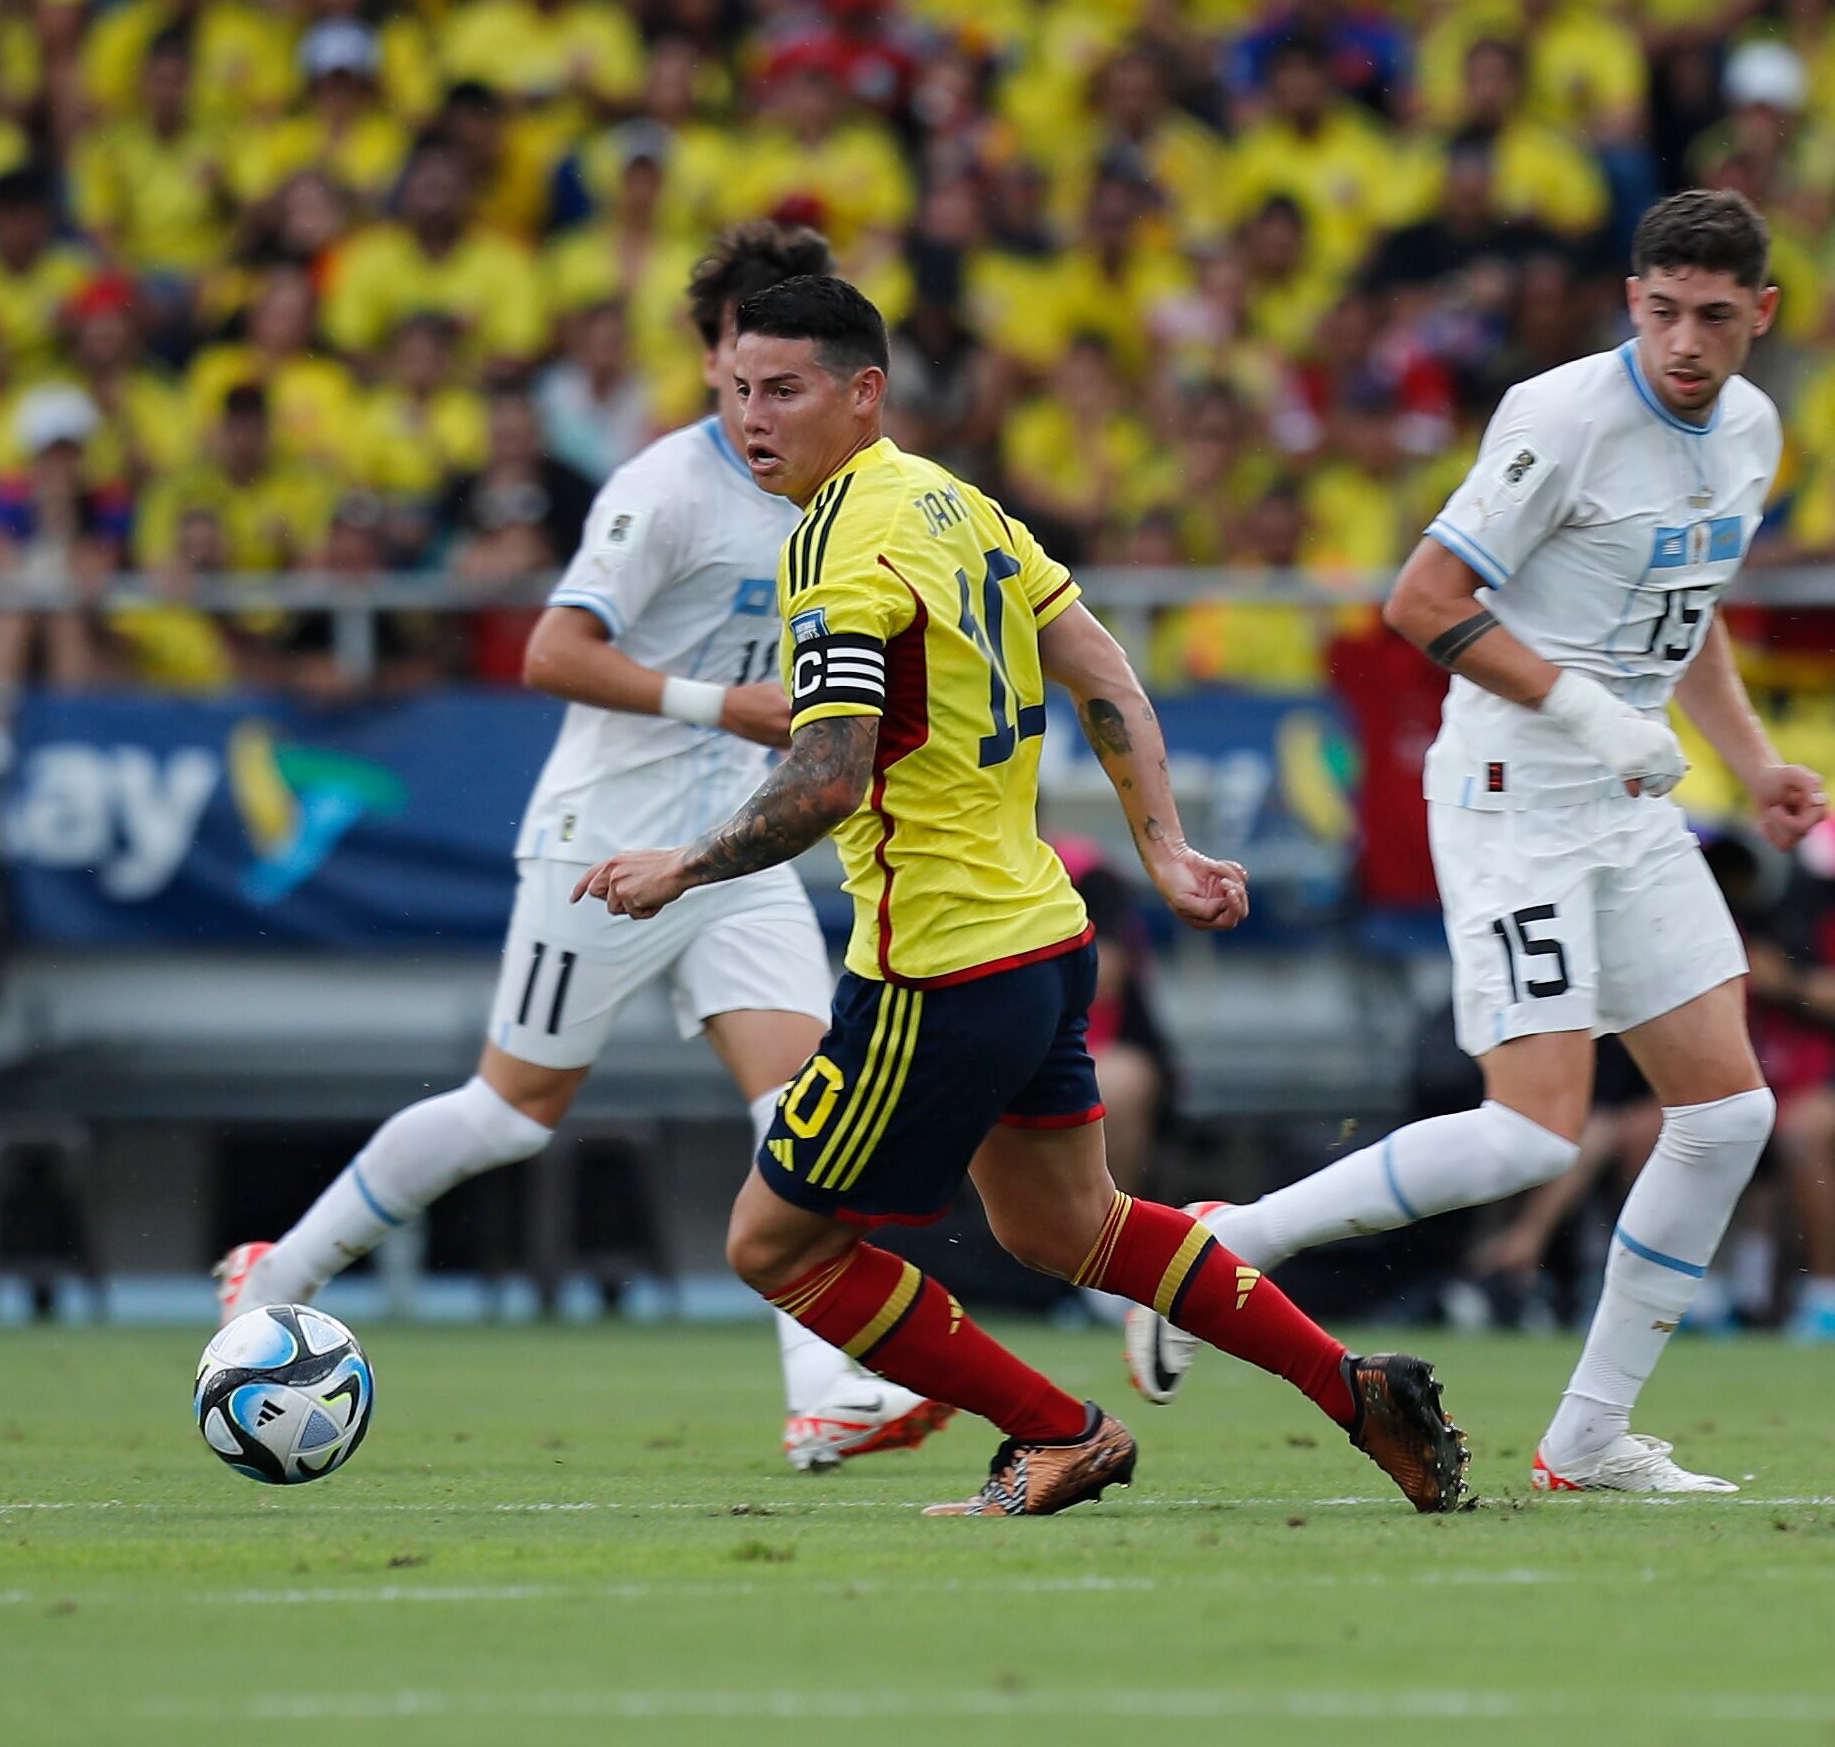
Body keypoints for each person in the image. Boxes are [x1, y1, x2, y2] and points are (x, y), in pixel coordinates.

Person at [571, 275, 1467, 1519]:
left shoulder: (836, 546)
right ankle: (1354, 1390)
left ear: (863, 392)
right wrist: (1163, 848)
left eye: (784, 391)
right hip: (1042, 938)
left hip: (936, 964)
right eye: (737, 391)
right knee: (1070, 1227)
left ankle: (1058, 1432)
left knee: (773, 1247)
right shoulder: (957, 502)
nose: (753, 418)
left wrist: (680, 866)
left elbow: (827, 779)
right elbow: (1103, 670)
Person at [216, 226, 950, 1474]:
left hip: (733, 845)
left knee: (800, 1108)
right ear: (712, 357)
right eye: (743, 360)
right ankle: (276, 1274)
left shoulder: (841, 498)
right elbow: (551, 651)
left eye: (787, 368)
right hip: (603, 844)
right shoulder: (663, 489)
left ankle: (826, 1389)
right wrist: (723, 704)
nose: (759, 394)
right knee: (513, 1112)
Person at [1159, 191, 1826, 1494]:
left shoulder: (1750, 427)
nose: (1686, 341)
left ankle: (1587, 1437)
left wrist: (1754, 765)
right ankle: (1226, 1242)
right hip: (1517, 791)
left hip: (1626, 799)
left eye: (1714, 315)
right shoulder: (1561, 414)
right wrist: (1586, 710)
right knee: (1533, 1134)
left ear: (1761, 312)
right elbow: (1421, 599)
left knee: (1728, 1111)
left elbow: (1686, 607)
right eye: (1663, 310)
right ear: (1631, 300)